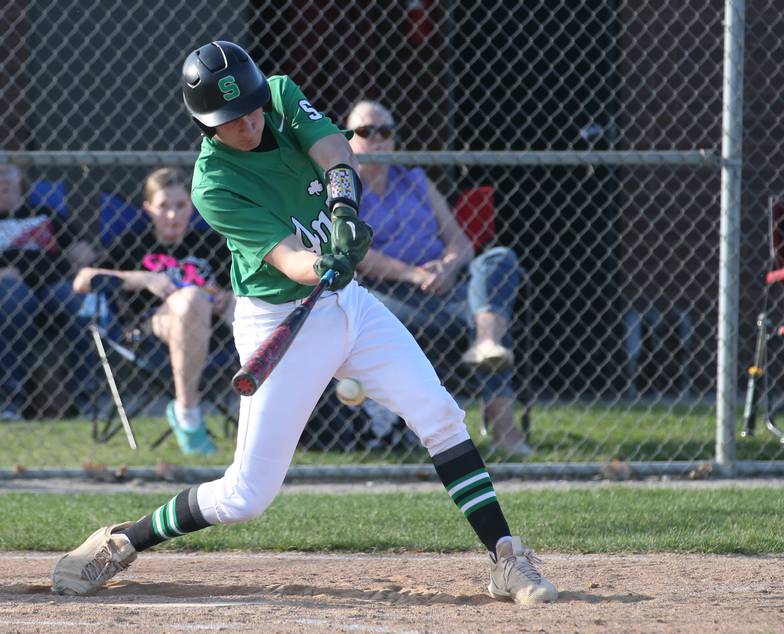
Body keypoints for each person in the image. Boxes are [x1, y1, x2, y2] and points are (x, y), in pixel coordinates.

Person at [51, 41, 557, 605]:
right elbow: (289, 259)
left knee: (438, 413)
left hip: (351, 306)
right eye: (230, 119)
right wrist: (324, 260)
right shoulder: (213, 182)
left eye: (251, 107)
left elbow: (337, 152)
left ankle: (507, 559)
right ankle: (126, 538)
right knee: (246, 497)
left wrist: (342, 211)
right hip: (279, 318)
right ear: (202, 121)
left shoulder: (282, 95)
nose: (247, 122)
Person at [346, 100, 530, 453]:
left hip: (445, 287)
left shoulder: (415, 179)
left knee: (498, 260)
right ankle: (479, 429)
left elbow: (460, 242)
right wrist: (414, 275)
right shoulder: (345, 189)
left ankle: (486, 346)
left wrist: (446, 266)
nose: (378, 140)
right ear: (349, 139)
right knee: (478, 314)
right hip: (389, 294)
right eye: (366, 132)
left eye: (386, 132)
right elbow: (358, 255)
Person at [72, 167, 234, 455]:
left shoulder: (209, 243)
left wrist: (225, 296)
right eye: (163, 207)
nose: (172, 215)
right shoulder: (133, 244)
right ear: (148, 209)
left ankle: (276, 406)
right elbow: (83, 280)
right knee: (191, 299)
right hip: (152, 330)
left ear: (191, 206)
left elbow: (237, 285)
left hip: (216, 329)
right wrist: (144, 278)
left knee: (242, 302)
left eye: (181, 206)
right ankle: (188, 412)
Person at [0, 164, 97, 420]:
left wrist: (82, 256)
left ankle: (86, 400)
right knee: (15, 300)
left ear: (19, 177)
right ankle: (11, 401)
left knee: (80, 304)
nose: (2, 180)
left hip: (54, 283)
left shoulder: (45, 215)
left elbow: (79, 249)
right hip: (9, 290)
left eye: (6, 172)